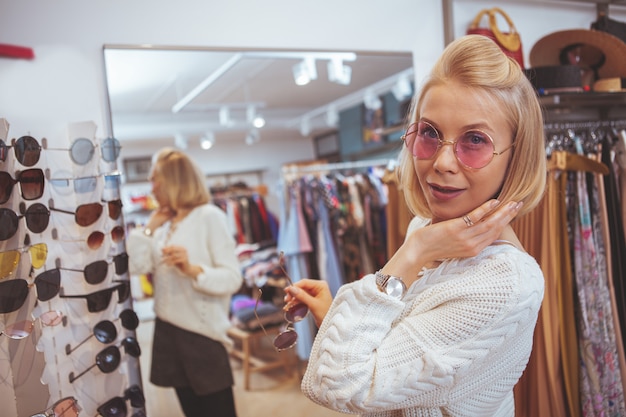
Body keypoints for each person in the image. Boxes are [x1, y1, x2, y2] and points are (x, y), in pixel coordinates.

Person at [284, 34, 547, 417]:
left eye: (475, 139)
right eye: (429, 133)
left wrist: (416, 251)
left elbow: (339, 384)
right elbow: (400, 366)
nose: (442, 161)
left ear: (516, 157)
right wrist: (335, 317)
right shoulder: (428, 226)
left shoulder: (504, 283)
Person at [127, 148, 242, 417]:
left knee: (218, 411)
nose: (151, 186)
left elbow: (233, 278)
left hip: (202, 335)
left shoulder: (209, 216)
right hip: (168, 329)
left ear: (175, 180)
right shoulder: (164, 224)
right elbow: (135, 266)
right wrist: (149, 228)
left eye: (156, 179)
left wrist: (192, 269)